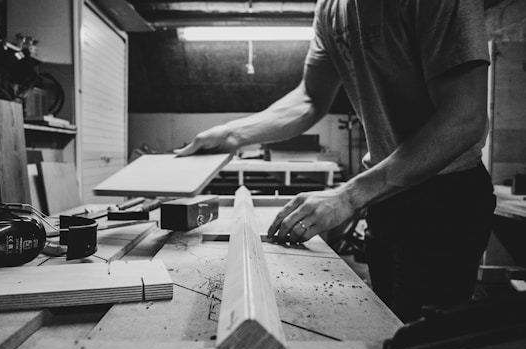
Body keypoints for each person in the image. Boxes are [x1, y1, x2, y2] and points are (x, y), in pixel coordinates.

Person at [175, 0, 495, 323]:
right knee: (388, 329)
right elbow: (311, 98)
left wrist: (348, 195)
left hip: (446, 202)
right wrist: (231, 134)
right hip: (386, 198)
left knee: (422, 347)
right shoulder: (331, 8)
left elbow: (465, 117)